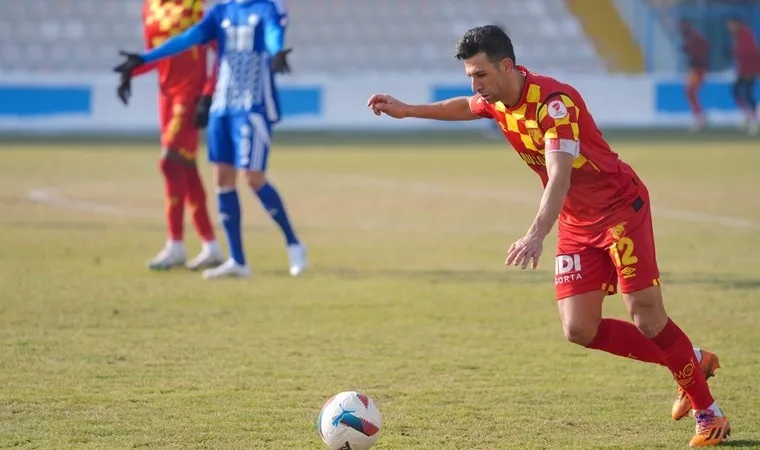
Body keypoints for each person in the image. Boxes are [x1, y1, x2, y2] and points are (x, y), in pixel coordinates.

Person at [367, 25, 730, 447]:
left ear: (506, 66)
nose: (475, 84)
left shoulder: (554, 104)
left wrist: (536, 234)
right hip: (577, 222)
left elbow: (558, 175)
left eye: (480, 74)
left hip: (618, 211)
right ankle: (691, 360)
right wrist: (407, 110)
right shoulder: (495, 100)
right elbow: (463, 107)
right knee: (580, 329)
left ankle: (709, 414)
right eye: (470, 75)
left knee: (647, 318)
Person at [114, 0, 307, 279]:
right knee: (222, 181)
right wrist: (145, 59)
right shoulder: (221, 11)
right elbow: (187, 38)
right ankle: (237, 260)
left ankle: (293, 243)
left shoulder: (266, 7)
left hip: (253, 106)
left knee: (253, 178)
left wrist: (277, 52)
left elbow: (273, 32)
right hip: (222, 106)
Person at [117, 0, 224, 271]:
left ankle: (175, 244)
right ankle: (208, 245)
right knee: (185, 169)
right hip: (165, 95)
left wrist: (208, 94)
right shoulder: (150, 7)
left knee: (168, 162)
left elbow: (219, 51)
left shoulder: (195, 6)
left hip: (190, 94)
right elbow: (155, 54)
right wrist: (132, 70)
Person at [727, 17, 760, 136]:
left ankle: (754, 120)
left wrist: (736, 52)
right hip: (743, 70)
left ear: (737, 24)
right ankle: (747, 116)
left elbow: (749, 51)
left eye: (731, 25)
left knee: (747, 94)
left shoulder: (746, 35)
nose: (729, 28)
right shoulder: (738, 36)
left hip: (750, 70)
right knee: (736, 92)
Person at [678, 19, 710, 132]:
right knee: (690, 92)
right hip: (696, 68)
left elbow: (704, 48)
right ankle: (699, 115)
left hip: (698, 68)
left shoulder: (693, 36)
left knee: (690, 91)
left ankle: (699, 117)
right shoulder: (690, 37)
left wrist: (696, 59)